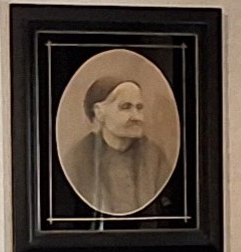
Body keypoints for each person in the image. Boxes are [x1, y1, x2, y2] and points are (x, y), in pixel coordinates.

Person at [57, 76, 172, 214]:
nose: (137, 117)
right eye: (126, 107)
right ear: (99, 112)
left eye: (139, 108)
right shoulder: (78, 159)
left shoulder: (154, 156)